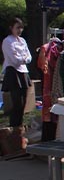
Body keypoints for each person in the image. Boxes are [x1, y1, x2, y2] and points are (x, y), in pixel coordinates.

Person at [2, 18, 31, 159]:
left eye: (21, 28)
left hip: (23, 72)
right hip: (13, 72)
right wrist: (23, 58)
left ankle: (19, 130)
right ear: (11, 28)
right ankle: (14, 130)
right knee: (16, 102)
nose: (19, 30)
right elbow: (14, 59)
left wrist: (24, 58)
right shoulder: (7, 41)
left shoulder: (22, 41)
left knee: (24, 103)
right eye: (17, 27)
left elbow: (28, 56)